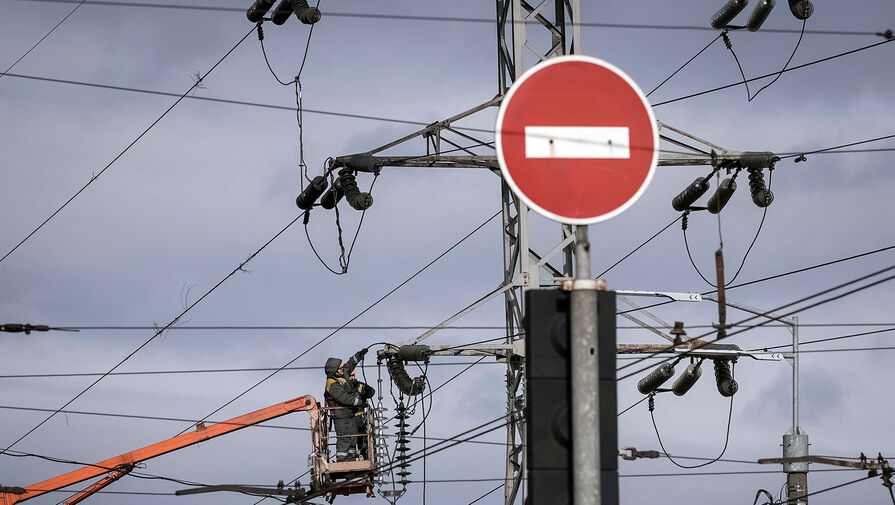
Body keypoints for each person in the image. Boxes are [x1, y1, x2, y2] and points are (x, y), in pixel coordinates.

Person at [324, 348, 375, 462]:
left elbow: (350, 363)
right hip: (340, 415)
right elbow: (344, 398)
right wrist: (359, 402)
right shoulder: (332, 384)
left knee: (353, 437)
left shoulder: (342, 374)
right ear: (335, 371)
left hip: (350, 413)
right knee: (344, 438)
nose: (342, 369)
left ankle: (351, 459)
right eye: (340, 368)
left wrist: (359, 355)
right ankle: (342, 461)